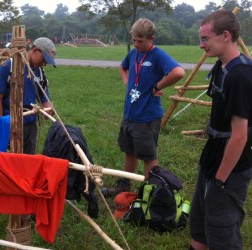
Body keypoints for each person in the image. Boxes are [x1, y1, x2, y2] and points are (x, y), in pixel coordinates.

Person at [190, 10, 252, 249]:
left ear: (225, 35)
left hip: (231, 168)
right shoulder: (220, 67)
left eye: (205, 39)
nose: (200, 45)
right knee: (199, 220)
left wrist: (221, 179)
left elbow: (240, 136)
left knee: (222, 226)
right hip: (211, 157)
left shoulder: (241, 75)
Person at [102, 18, 185, 197]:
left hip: (147, 116)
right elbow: (122, 67)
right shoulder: (133, 54)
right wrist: (127, 83)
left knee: (148, 157)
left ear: (151, 38)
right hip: (130, 114)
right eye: (134, 40)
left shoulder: (158, 55)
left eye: (140, 41)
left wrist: (158, 86)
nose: (136, 44)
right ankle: (124, 186)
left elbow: (178, 72)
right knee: (129, 151)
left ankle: (149, 194)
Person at [0, 37, 58, 237]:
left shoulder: (40, 73)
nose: (44, 63)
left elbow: (45, 99)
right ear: (34, 50)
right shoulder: (9, 66)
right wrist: (1, 125)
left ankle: (25, 211)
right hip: (7, 126)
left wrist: (48, 109)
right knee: (1, 170)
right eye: (43, 59)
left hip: (29, 128)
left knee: (27, 169)